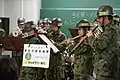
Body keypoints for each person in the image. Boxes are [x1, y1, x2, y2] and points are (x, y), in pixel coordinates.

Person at [86, 4, 119, 80]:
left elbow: (99, 45)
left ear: (106, 17)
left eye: (100, 18)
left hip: (106, 71)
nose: (98, 20)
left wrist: (90, 37)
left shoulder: (110, 30)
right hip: (105, 70)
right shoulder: (109, 29)